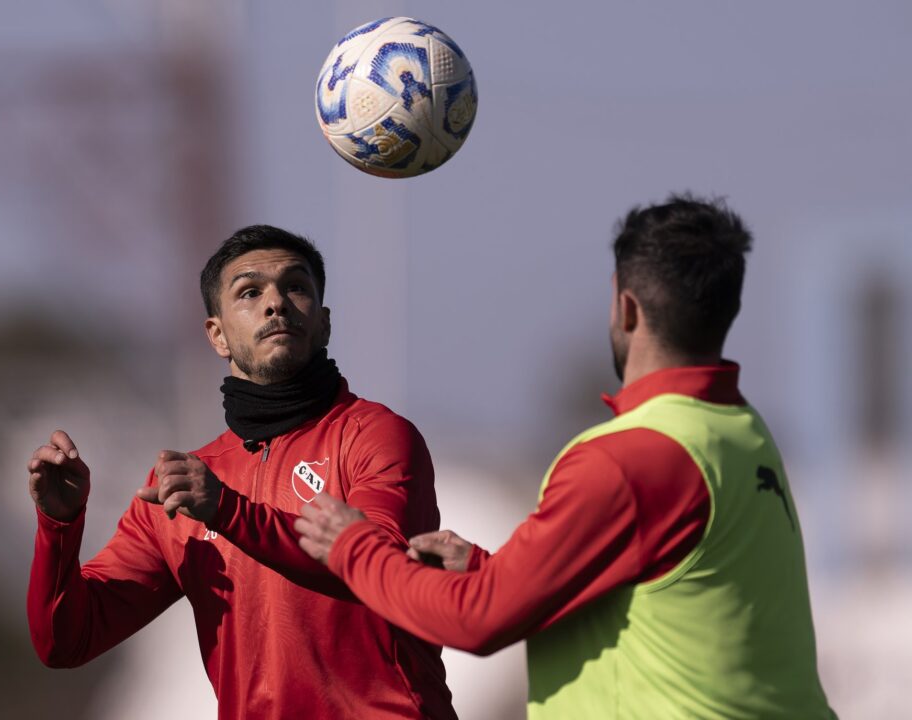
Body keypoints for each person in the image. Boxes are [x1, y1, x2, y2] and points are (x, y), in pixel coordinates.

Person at [296, 196, 836, 718]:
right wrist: (488, 571)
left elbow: (477, 620)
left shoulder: (627, 460)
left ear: (626, 307)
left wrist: (353, 546)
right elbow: (664, 586)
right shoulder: (742, 431)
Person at [26, 225, 457, 719]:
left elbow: (377, 565)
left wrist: (228, 511)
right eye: (250, 292)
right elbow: (66, 641)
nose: (276, 303)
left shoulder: (376, 435)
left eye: (296, 287)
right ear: (217, 335)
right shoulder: (182, 487)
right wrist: (59, 526)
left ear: (323, 324)